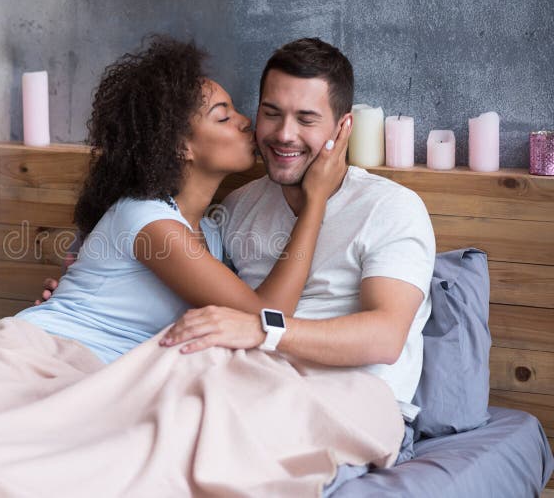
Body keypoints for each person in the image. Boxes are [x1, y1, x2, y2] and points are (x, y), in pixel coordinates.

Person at [19, 35, 349, 364]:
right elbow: (269, 315)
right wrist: (315, 200)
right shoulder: (149, 221)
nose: (245, 121)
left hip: (105, 377)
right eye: (224, 116)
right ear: (181, 146)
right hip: (47, 357)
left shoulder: (213, 233)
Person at [161, 38, 436, 411]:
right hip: (245, 393)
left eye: (306, 119)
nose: (284, 134)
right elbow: (194, 285)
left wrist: (263, 330)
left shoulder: (389, 207)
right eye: (272, 113)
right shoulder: (239, 207)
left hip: (351, 407)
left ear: (343, 128)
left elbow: (386, 338)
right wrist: (100, 281)